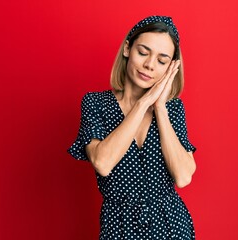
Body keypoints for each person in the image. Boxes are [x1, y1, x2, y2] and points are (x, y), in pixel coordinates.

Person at [68, 15, 197, 239]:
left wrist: (160, 108)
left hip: (171, 226)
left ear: (170, 67)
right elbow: (103, 162)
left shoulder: (172, 109)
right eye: (143, 52)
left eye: (162, 60)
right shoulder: (95, 103)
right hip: (119, 226)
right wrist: (143, 103)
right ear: (128, 48)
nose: (149, 65)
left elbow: (184, 176)